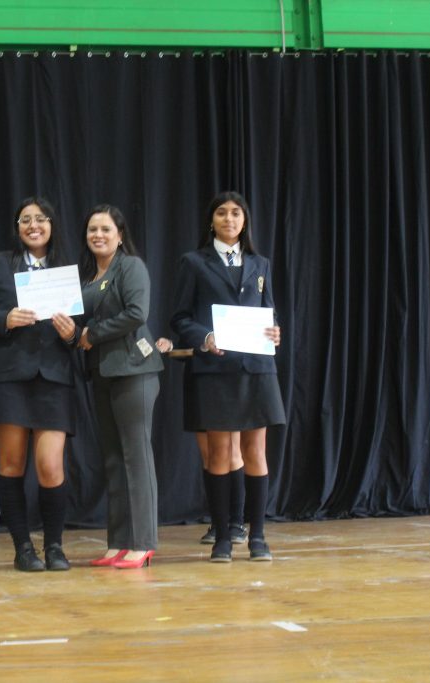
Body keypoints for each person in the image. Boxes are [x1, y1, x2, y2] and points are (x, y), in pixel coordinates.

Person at [0, 197, 77, 572]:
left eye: (41, 219)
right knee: (11, 464)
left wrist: (73, 333)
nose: (33, 225)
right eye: (25, 220)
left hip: (53, 377)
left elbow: (83, 325)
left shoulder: (66, 267)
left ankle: (54, 546)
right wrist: (4, 319)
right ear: (17, 227)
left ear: (52, 225)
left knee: (51, 466)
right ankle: (23, 547)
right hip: (9, 376)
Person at [170, 191, 284, 562]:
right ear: (211, 220)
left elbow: (268, 312)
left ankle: (258, 537)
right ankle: (222, 536)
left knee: (256, 452)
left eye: (236, 213)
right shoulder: (194, 262)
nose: (229, 219)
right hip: (215, 370)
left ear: (245, 220)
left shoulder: (260, 263)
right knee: (219, 453)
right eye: (222, 212)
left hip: (256, 369)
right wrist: (205, 337)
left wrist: (274, 331)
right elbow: (180, 318)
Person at [56, 205, 168, 569]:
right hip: (102, 372)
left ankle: (143, 542)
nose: (98, 235)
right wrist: (73, 334)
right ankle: (119, 542)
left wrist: (90, 334)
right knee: (114, 458)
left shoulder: (130, 266)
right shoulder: (89, 277)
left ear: (120, 236)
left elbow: (137, 313)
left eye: (105, 229)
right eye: (92, 229)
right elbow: (78, 329)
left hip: (134, 370)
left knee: (136, 455)